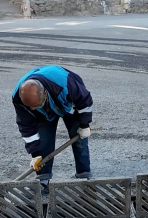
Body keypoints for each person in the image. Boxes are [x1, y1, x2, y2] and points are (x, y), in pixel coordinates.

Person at [12, 66, 94, 194]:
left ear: (44, 93)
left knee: (79, 140)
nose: (32, 109)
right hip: (44, 111)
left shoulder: (66, 84)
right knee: (43, 142)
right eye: (29, 106)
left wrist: (84, 125)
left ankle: (84, 176)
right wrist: (35, 154)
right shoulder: (19, 98)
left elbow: (85, 102)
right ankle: (43, 181)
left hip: (67, 102)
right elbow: (26, 126)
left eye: (34, 105)